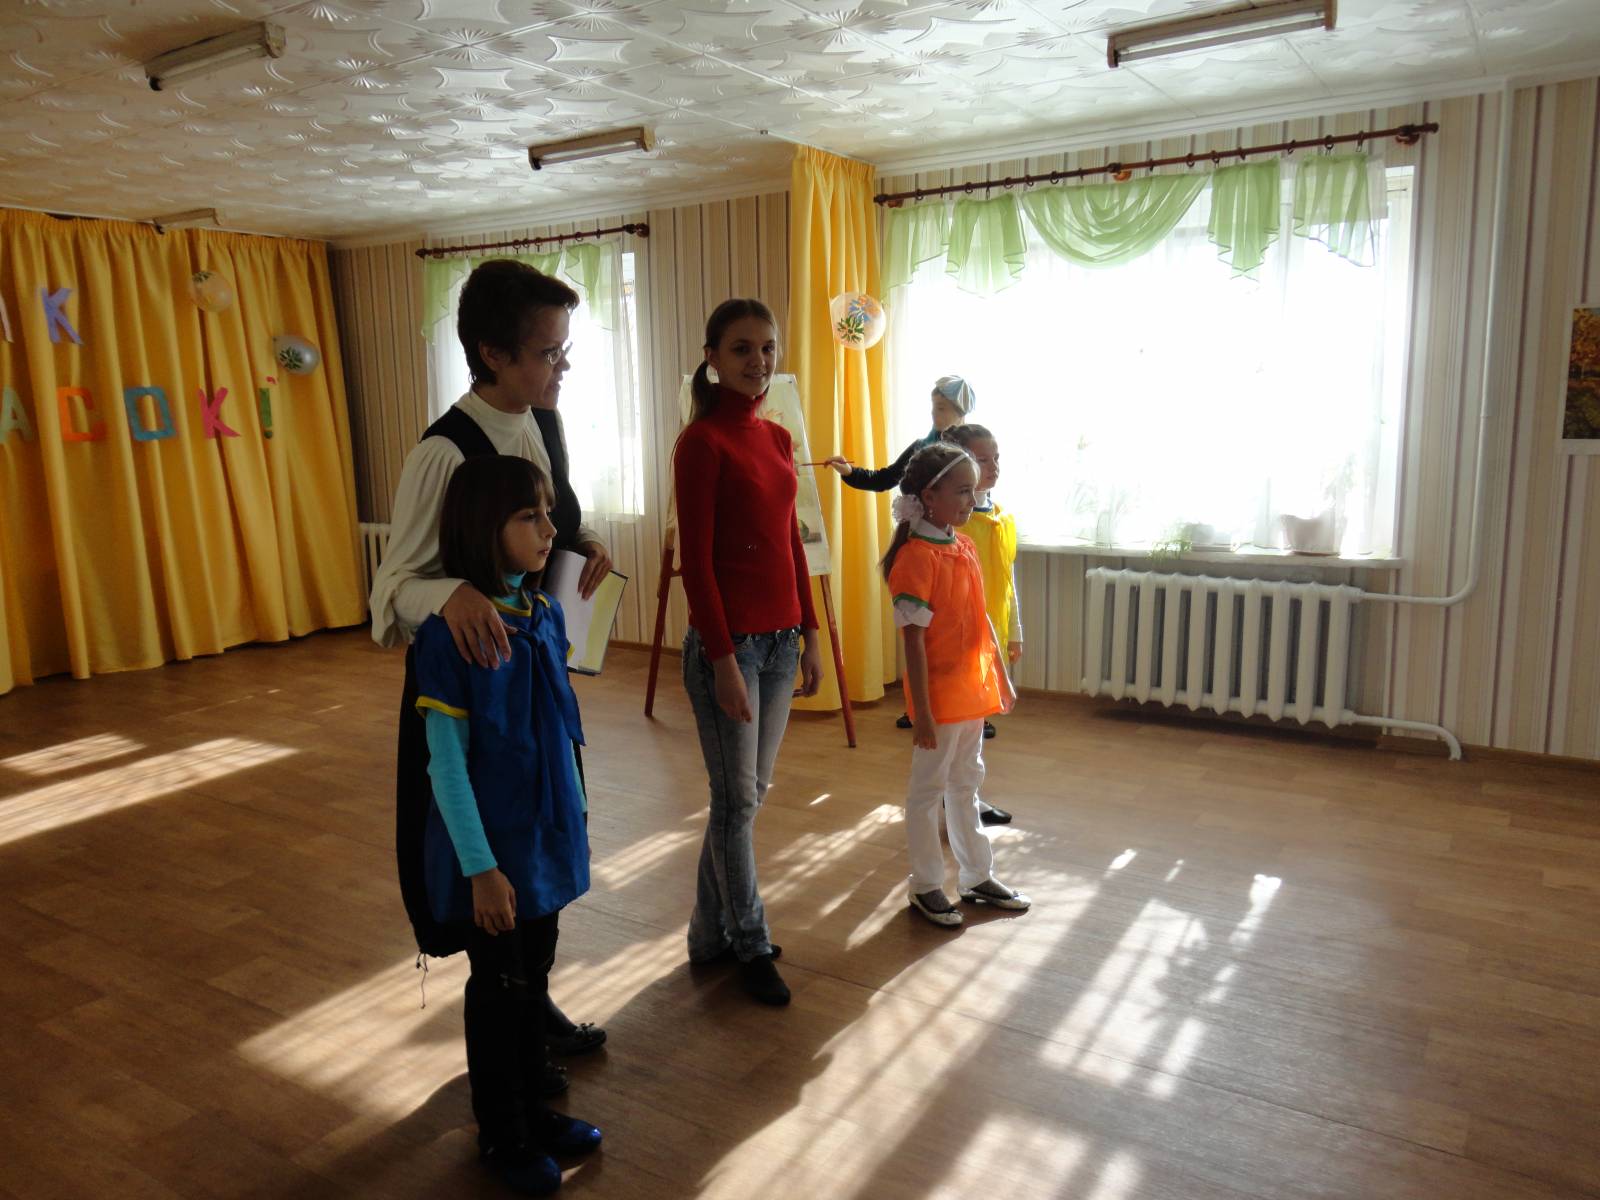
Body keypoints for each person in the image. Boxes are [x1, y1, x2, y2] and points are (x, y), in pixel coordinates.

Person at [371, 260, 610, 1082]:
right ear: (493, 354)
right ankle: (507, 1036)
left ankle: (531, 1002)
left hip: (535, 689)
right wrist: (449, 593)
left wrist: (579, 542)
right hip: (469, 698)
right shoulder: (443, 453)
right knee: (495, 866)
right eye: (548, 353)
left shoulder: (544, 422)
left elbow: (545, 528)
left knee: (542, 850)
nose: (562, 367)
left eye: (565, 349)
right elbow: (388, 596)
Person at [412, 454, 601, 1195]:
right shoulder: (450, 636)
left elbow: (558, 727)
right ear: (483, 528)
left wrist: (574, 819)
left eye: (547, 513)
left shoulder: (542, 614)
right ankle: (502, 1131)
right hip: (492, 854)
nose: (549, 529)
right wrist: (481, 869)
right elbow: (446, 766)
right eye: (529, 516)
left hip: (543, 841)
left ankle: (535, 1109)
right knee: (499, 988)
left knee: (535, 977)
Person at [674, 298, 823, 1006]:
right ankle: (749, 942)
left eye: (767, 348)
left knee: (746, 799)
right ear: (712, 358)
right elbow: (697, 565)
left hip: (782, 644)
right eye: (741, 348)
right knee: (735, 803)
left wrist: (812, 632)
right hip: (729, 650)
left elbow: (791, 541)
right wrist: (723, 661)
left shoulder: (778, 438)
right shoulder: (700, 443)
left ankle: (708, 935)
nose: (758, 361)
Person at [882, 442, 1031, 928]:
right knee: (928, 791)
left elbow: (980, 620)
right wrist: (922, 712)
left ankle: (976, 875)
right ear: (929, 497)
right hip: (939, 698)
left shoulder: (962, 547)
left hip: (970, 691)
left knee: (967, 783)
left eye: (973, 490)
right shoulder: (916, 558)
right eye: (962, 491)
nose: (972, 499)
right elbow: (914, 644)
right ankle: (925, 884)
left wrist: (999, 677)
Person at [940, 423, 1021, 824]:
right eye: (982, 459)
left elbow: (1007, 581)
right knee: (957, 732)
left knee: (975, 730)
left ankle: (966, 798)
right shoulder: (953, 524)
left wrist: (1015, 632)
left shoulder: (1000, 518)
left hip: (991, 636)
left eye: (996, 458)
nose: (993, 467)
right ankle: (953, 798)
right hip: (959, 641)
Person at [822, 374, 975, 492]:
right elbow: (884, 479)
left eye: (941, 408)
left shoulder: (974, 450)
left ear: (961, 412)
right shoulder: (921, 448)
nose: (933, 412)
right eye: (933, 406)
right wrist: (849, 471)